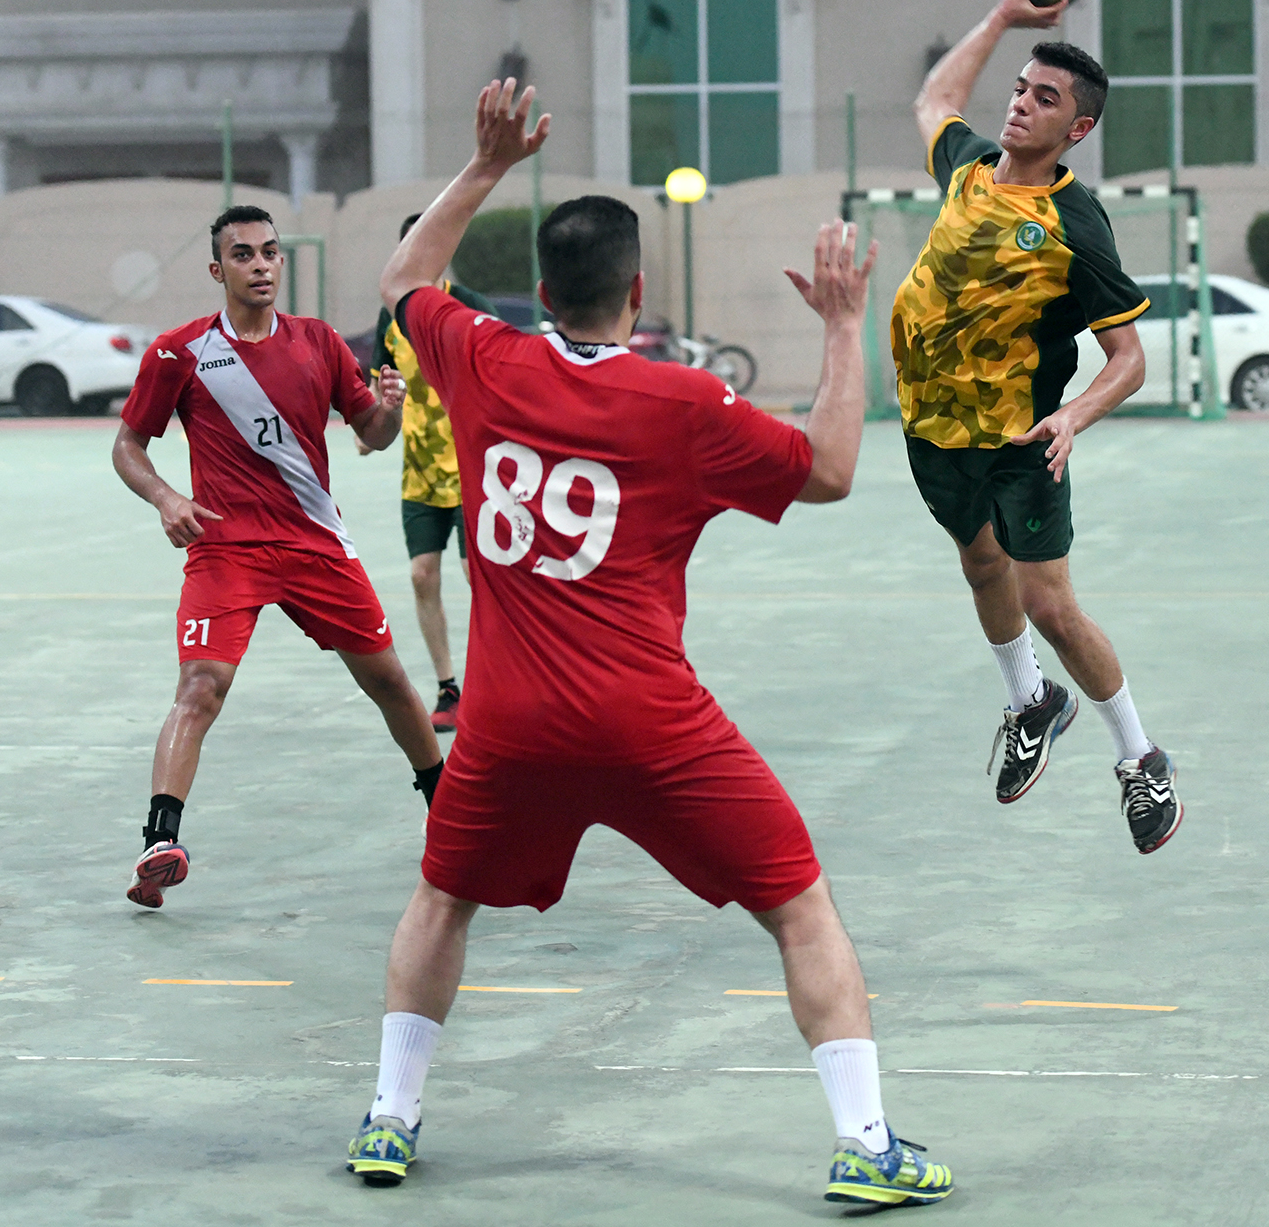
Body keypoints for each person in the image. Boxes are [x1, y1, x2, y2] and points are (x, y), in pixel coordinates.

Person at [343, 81, 952, 1209]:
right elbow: (828, 470)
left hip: (506, 724)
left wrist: (483, 164)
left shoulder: (482, 359)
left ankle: (390, 1116)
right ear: (637, 289)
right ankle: (863, 1142)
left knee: (440, 900)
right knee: (799, 907)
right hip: (650, 721)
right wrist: (835, 324)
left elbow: (398, 283)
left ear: (537, 291)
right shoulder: (683, 400)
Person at [896, 0, 1181, 853]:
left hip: (1020, 440)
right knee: (982, 570)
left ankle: (1140, 758)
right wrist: (1003, 16)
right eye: (1020, 89)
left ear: (1078, 126)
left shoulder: (1075, 222)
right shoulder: (969, 168)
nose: (1020, 105)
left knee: (1050, 607)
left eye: (1044, 97)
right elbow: (937, 95)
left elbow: (1128, 358)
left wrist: (1074, 417)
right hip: (930, 429)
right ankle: (1030, 702)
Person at [111, 204, 443, 909]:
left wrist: (390, 407)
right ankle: (157, 844)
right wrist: (168, 498)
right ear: (217, 269)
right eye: (243, 256)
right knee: (201, 689)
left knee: (388, 683)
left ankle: (448, 816)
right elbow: (127, 447)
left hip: (315, 544)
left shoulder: (319, 342)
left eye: (269, 253)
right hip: (225, 550)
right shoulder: (180, 352)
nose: (260, 266)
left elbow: (373, 436)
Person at [362, 212, 498, 732]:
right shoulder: (389, 318)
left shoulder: (470, 308)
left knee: (478, 578)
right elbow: (381, 385)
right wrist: (371, 423)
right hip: (419, 472)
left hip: (473, 469)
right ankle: (449, 689)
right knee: (423, 575)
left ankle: (492, 685)